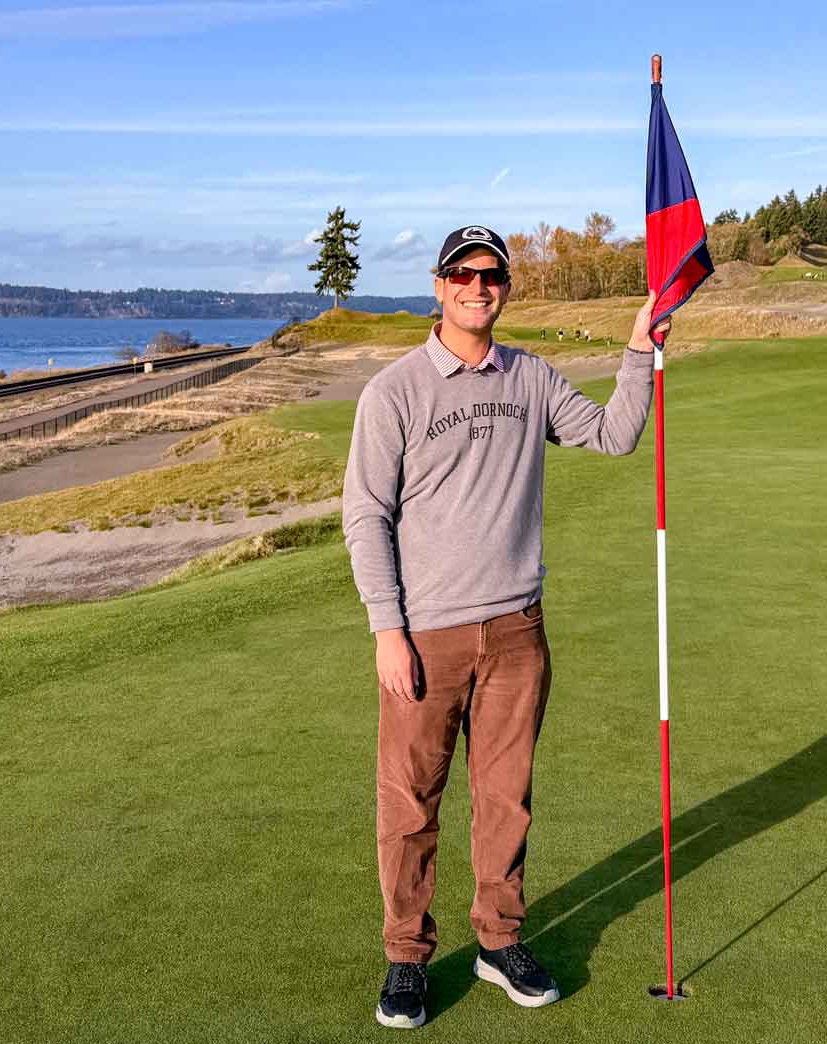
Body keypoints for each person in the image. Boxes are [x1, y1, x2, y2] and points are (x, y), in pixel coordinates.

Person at [342, 224, 670, 1028]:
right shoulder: (395, 391)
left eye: (491, 274)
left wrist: (638, 350)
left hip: (518, 631)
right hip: (425, 637)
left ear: (506, 288)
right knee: (411, 806)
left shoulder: (531, 377)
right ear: (439, 283)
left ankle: (497, 941)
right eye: (462, 272)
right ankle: (407, 957)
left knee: (506, 801)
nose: (476, 286)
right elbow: (365, 516)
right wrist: (388, 628)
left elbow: (615, 434)